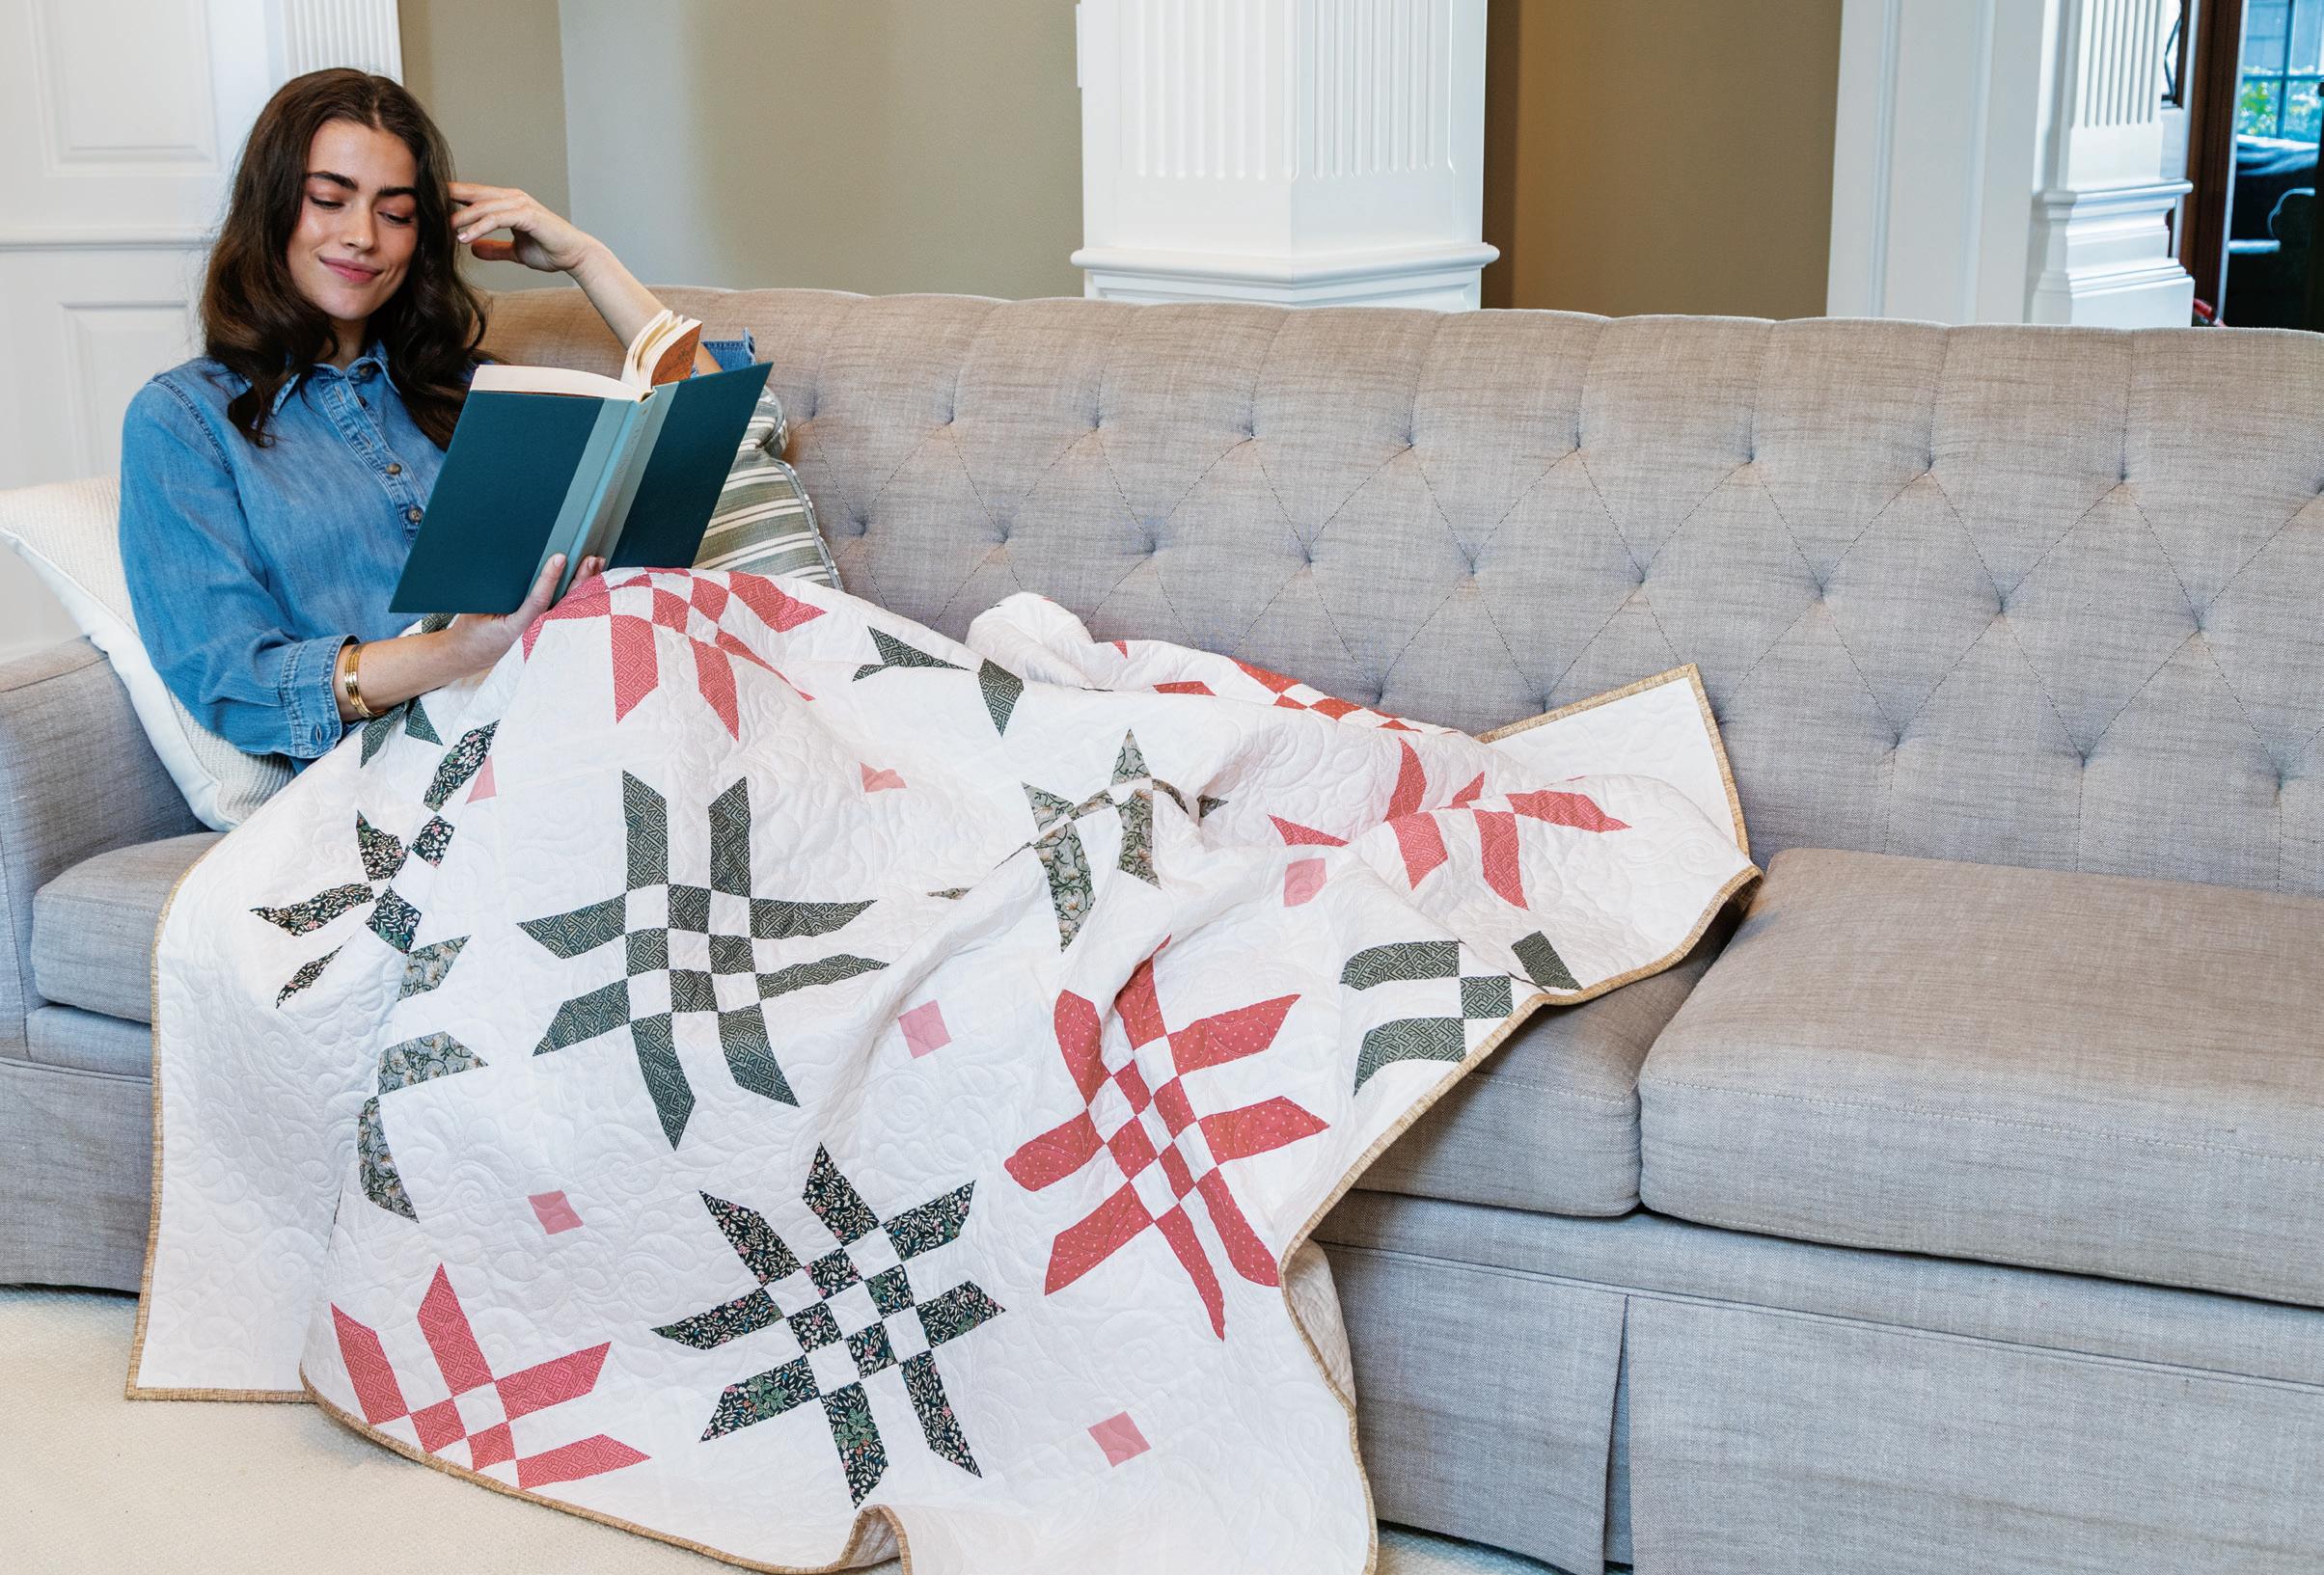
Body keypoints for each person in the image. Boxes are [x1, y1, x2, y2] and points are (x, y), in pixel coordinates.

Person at [120, 68, 754, 761]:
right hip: (411, 768)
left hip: (582, 705)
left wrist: (586, 259)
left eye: (395, 214)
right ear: (269, 208)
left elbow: (724, 434)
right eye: (329, 200)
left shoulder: (475, 388)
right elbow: (235, 682)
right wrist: (459, 650)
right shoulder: (184, 421)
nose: (362, 236)